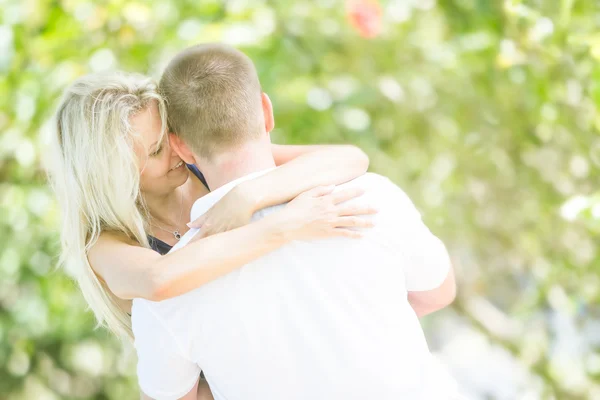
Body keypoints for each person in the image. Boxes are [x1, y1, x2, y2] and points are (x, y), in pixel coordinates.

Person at [132, 43, 461, 400]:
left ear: (180, 147)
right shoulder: (369, 196)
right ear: (265, 110)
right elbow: (440, 291)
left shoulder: (163, 298)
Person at [50, 72, 378, 398]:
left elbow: (349, 159)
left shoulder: (203, 165)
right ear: (111, 172)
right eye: (155, 151)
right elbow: (158, 280)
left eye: (171, 135)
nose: (177, 152)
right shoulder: (106, 244)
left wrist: (250, 195)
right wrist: (284, 226)